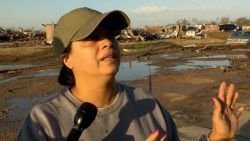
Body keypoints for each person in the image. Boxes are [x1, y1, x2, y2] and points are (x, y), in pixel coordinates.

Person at [15, 7, 245, 141]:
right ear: (68, 59)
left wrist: (217, 139)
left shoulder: (149, 104)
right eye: (92, 37)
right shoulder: (43, 122)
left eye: (110, 35)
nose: (107, 42)